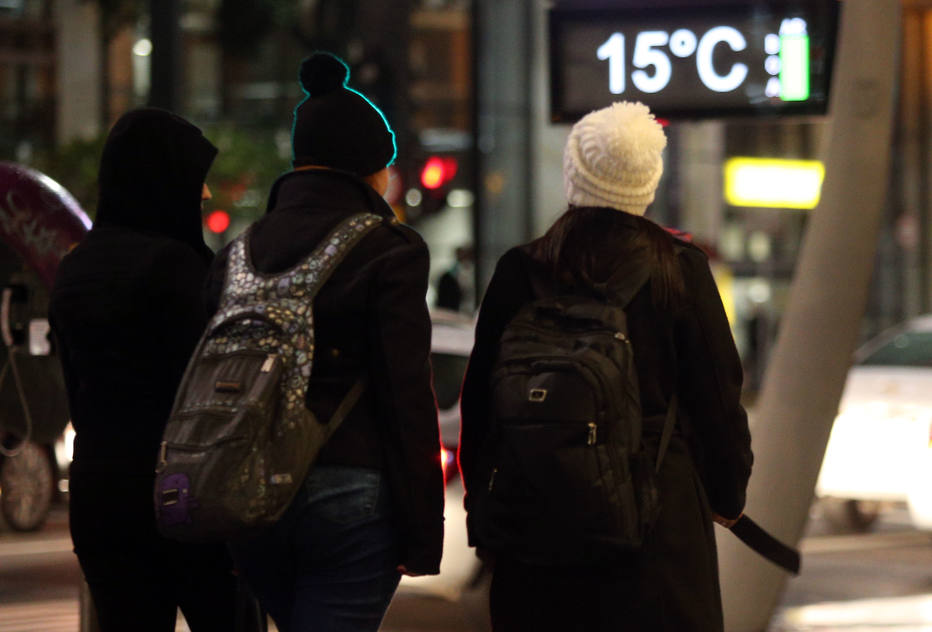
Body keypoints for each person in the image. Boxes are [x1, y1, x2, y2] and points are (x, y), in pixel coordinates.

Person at [459, 101, 753, 631]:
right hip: (657, 538)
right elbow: (718, 397)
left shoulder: (521, 270)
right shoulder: (680, 271)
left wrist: (485, 512)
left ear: (574, 173)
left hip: (538, 534)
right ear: (649, 180)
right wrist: (728, 495)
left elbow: (481, 406)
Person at [203, 51, 444, 632]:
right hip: (351, 492)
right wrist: (422, 533)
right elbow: (405, 392)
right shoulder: (389, 248)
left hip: (248, 496)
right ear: (367, 169)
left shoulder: (238, 253)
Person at [48, 108, 247, 631]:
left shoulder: (75, 267)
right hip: (184, 496)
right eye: (195, 181)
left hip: (99, 496)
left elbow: (73, 387)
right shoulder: (180, 269)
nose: (203, 197)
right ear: (164, 179)